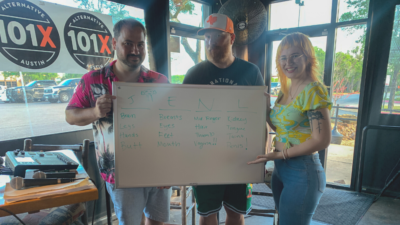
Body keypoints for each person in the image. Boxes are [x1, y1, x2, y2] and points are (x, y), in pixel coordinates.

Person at [65, 18, 171, 225]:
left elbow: (172, 124)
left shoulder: (159, 81)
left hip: (156, 167)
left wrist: (170, 166)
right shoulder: (93, 80)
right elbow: (70, 115)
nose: (135, 50)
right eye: (128, 43)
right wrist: (95, 112)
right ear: (114, 44)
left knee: (158, 221)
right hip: (121, 173)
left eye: (140, 44)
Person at [183, 13, 264, 225]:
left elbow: (260, 117)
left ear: (232, 38)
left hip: (240, 158)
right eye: (207, 37)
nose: (210, 43)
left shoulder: (251, 72)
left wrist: (260, 154)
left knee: (236, 212)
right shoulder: (194, 74)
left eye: (217, 36)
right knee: (207, 213)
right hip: (204, 159)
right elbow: (183, 119)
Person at [248, 32, 332, 225]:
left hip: (302, 169)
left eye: (295, 55)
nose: (288, 62)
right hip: (281, 168)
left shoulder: (313, 90)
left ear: (308, 57)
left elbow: (322, 140)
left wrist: (280, 155)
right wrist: (264, 107)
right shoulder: (285, 90)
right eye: (283, 58)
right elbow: (280, 127)